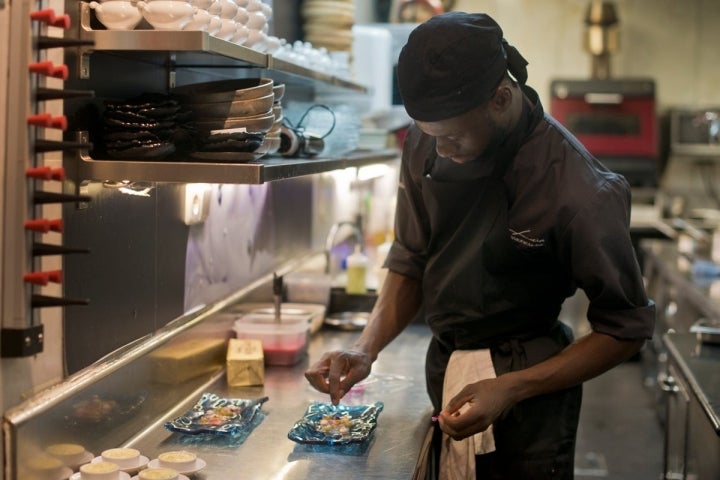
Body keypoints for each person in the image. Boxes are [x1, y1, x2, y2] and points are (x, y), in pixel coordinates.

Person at [305, 11, 655, 480]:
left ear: (501, 98)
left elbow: (625, 328)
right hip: (445, 369)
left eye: (451, 136)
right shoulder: (425, 142)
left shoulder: (580, 189)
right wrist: (366, 348)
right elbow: (410, 258)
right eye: (429, 136)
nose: (439, 149)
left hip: (531, 398)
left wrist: (511, 387)